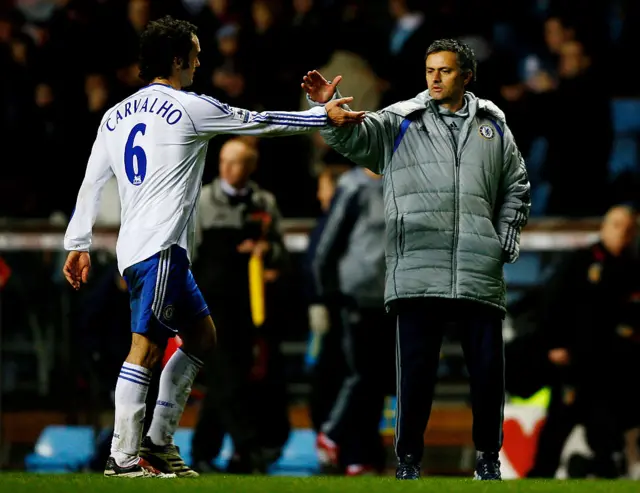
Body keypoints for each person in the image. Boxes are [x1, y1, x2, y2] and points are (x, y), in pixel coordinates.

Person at [62, 15, 363, 479]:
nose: (201, 62)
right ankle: (123, 458)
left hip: (142, 249)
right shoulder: (187, 107)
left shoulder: (115, 115)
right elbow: (260, 122)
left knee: (203, 337)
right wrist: (322, 115)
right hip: (160, 246)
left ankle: (159, 444)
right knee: (143, 347)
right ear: (179, 59)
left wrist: (78, 243)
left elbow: (91, 182)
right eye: (196, 54)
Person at [302, 38, 531, 480]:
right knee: (414, 379)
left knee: (487, 376)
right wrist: (328, 112)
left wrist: (501, 241)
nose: (435, 78)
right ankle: (407, 464)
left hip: (478, 269)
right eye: (430, 71)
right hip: (416, 269)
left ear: (466, 75)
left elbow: (517, 187)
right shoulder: (400, 120)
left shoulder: (494, 126)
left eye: (444, 70)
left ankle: (488, 461)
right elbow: (355, 139)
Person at [190, 137, 288, 473]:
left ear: (251, 166)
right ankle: (249, 449)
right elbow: (189, 255)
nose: (229, 169)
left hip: (250, 306)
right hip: (210, 306)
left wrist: (265, 252)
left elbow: (280, 251)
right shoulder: (202, 201)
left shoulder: (264, 202)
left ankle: (205, 453)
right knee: (226, 378)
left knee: (231, 381)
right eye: (224, 162)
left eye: (237, 163)